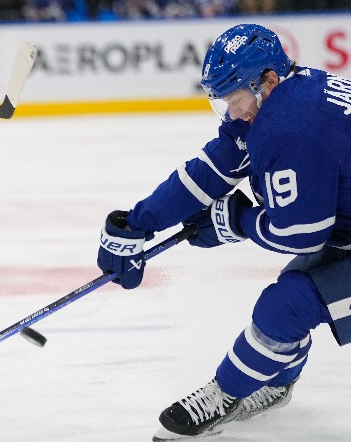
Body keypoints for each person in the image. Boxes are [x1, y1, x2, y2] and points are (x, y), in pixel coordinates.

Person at [97, 23, 351, 439]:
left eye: (235, 101)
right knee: (298, 287)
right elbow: (216, 166)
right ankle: (273, 383)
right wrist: (140, 221)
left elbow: (302, 235)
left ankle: (226, 393)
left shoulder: (290, 123)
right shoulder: (289, 92)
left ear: (267, 80)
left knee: (288, 303)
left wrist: (235, 223)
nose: (233, 114)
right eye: (224, 105)